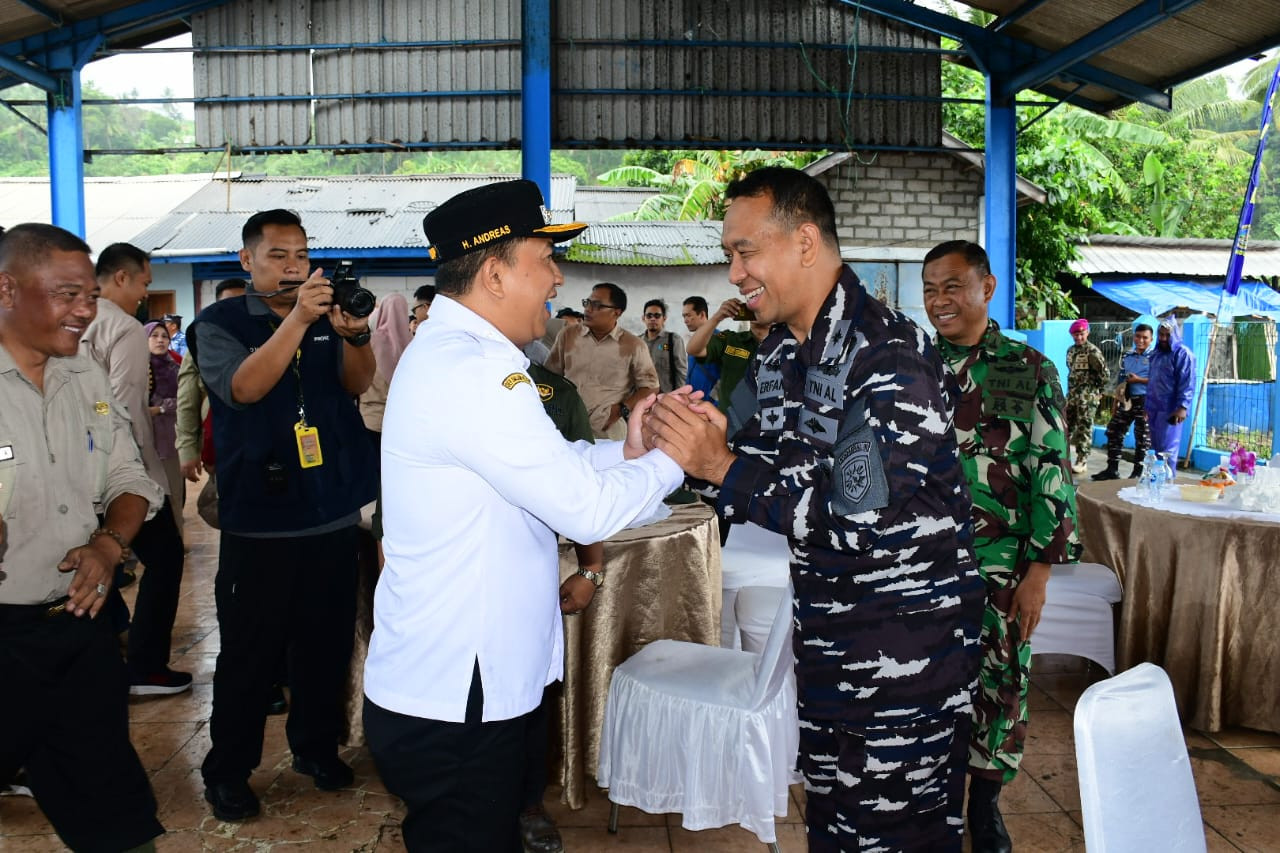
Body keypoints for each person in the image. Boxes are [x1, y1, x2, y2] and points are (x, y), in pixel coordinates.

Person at [644, 167, 984, 852]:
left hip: (904, 665)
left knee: (896, 839)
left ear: (804, 242)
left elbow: (854, 519)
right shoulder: (779, 352)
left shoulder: (888, 356)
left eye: (745, 251)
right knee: (836, 830)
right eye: (730, 254)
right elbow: (748, 458)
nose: (735, 273)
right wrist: (687, 443)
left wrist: (720, 464)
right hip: (831, 649)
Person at [364, 179, 685, 853]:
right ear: (495, 272)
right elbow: (585, 508)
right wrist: (677, 457)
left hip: (463, 684)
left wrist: (627, 453)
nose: (557, 279)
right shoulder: (475, 372)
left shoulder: (463, 359)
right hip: (458, 697)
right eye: (546, 259)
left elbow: (551, 464)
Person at [195, 209, 378, 822]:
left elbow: (356, 384)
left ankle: (315, 748)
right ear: (246, 261)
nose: (293, 266)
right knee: (251, 654)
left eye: (301, 255)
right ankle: (228, 770)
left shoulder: (326, 318)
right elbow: (244, 388)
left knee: (324, 645)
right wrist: (299, 319)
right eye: (277, 255)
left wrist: (354, 335)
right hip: (260, 519)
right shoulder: (219, 324)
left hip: (329, 510)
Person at [0, 222, 166, 852]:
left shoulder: (85, 375)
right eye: (67, 294)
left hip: (78, 628)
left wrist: (107, 544)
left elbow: (128, 477)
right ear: (6, 289)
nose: (85, 311)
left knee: (119, 823)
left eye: (90, 296)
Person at [922, 240, 1082, 853]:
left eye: (952, 286)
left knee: (1001, 680)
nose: (940, 300)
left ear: (986, 288)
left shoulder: (1029, 369)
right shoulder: (908, 367)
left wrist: (1039, 571)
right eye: (930, 289)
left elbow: (1051, 470)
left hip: (1001, 565)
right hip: (920, 560)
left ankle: (985, 803)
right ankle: (933, 796)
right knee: (925, 679)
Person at [82, 242, 192, 697]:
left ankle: (105, 652)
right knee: (165, 560)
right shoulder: (123, 326)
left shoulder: (75, 320)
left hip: (80, 465)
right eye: (144, 282)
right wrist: (148, 478)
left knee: (94, 560)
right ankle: (147, 666)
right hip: (121, 468)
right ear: (121, 277)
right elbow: (124, 406)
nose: (145, 294)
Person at [545, 281, 660, 440]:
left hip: (607, 432)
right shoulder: (568, 335)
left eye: (597, 305)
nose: (588, 309)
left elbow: (650, 387)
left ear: (616, 312)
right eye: (587, 303)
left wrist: (622, 409)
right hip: (567, 427)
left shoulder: (633, 346)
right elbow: (549, 377)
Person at [686, 295, 772, 417]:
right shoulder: (730, 339)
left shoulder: (787, 344)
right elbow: (693, 349)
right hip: (730, 423)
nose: (757, 308)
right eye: (753, 304)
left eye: (764, 305)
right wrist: (717, 317)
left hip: (770, 421)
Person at [1092, 321, 1153, 481]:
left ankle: (1138, 473)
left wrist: (1138, 380)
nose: (1140, 340)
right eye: (1138, 336)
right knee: (1114, 430)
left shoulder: (1155, 358)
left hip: (1145, 401)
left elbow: (1159, 380)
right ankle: (1112, 469)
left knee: (1142, 438)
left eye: (1145, 338)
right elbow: (1121, 381)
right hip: (1126, 399)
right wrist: (1115, 402)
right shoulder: (1128, 356)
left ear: (1151, 339)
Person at [144, 321, 184, 531]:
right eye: (154, 335)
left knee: (173, 493)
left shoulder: (176, 368)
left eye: (164, 336)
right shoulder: (135, 368)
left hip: (169, 439)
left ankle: (177, 537)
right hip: (142, 439)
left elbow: (186, 400)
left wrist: (160, 408)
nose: (160, 340)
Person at [1146, 316, 1196, 463]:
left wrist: (1182, 407)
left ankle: (1168, 477)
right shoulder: (1156, 354)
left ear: (1174, 335)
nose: (1163, 338)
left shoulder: (1183, 354)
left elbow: (1187, 382)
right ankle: (1155, 477)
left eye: (1167, 335)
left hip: (1171, 410)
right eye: (1161, 334)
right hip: (1154, 409)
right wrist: (1147, 406)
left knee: (1167, 450)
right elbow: (1152, 381)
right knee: (1154, 449)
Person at [1064, 318, 1108, 474]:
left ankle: (1082, 460)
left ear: (1087, 333)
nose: (1079, 337)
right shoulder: (1071, 350)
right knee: (1066, 426)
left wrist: (1097, 392)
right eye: (1076, 335)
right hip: (1072, 396)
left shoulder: (1093, 351)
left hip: (1087, 397)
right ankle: (1062, 457)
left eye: (1081, 334)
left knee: (1084, 428)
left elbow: (1104, 374)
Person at [641, 298, 688, 393]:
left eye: (657, 316)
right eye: (649, 316)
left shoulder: (673, 340)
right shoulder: (638, 342)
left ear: (664, 318)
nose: (653, 319)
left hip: (665, 397)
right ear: (643, 318)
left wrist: (680, 395)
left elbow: (681, 372)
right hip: (642, 397)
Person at [681, 296, 720, 401]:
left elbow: (727, 377)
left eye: (688, 315)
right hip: (692, 402)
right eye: (684, 316)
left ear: (702, 314)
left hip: (708, 404)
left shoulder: (719, 339)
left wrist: (713, 402)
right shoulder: (694, 341)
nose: (685, 320)